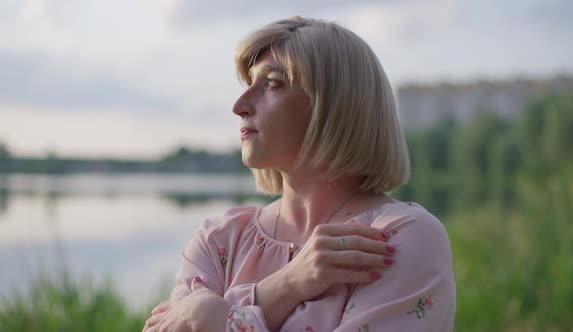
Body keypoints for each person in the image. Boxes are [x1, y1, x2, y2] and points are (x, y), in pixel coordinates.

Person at [143, 16, 455, 332]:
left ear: (334, 105)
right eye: (248, 83)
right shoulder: (218, 240)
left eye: (273, 83)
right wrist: (286, 284)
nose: (240, 105)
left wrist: (215, 318)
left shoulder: (397, 239)